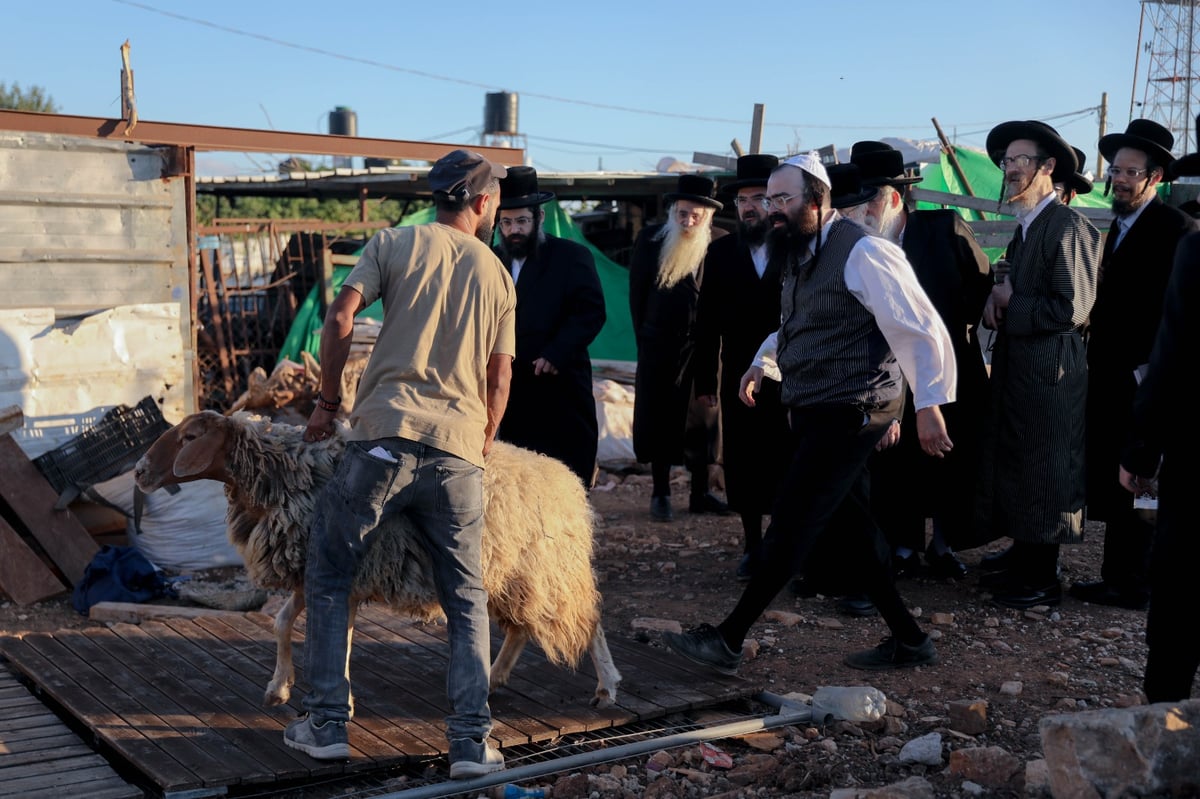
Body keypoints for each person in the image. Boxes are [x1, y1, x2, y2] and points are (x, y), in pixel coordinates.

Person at [663, 152, 956, 673]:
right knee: (854, 528)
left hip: (854, 409)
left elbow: (919, 328)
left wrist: (930, 405)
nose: (773, 210)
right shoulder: (800, 253)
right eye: (770, 200)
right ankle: (911, 640)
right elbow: (800, 323)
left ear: (816, 200)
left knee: (793, 521)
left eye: (783, 199)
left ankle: (729, 639)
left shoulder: (865, 252)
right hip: (818, 405)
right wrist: (763, 363)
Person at [286, 149, 515, 780]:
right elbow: (500, 373)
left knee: (331, 574)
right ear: (482, 202)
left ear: (439, 197)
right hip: (458, 454)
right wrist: (484, 434)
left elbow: (339, 317)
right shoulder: (497, 273)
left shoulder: (392, 243)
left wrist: (328, 403)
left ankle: (327, 726)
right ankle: (470, 743)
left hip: (382, 440)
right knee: (467, 598)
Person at [849, 141, 993, 583]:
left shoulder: (943, 228)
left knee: (950, 458)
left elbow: (980, 284)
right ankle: (903, 544)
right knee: (896, 463)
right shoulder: (858, 244)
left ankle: (944, 544)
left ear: (894, 198)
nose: (862, 210)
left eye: (869, 198)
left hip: (950, 368)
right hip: (888, 374)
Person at [1070, 120, 1198, 610]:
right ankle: (1117, 575)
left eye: (1130, 171)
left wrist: (1151, 372)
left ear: (1156, 178)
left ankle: (1137, 584)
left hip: (1146, 374)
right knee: (1119, 473)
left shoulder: (1176, 230)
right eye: (1115, 170)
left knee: (1142, 476)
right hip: (1110, 372)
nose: (1118, 179)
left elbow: (1175, 312)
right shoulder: (1116, 226)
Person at [975, 121, 1101, 610]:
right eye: (1006, 161)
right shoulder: (1029, 227)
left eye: (1019, 160)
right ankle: (1024, 555)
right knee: (1023, 462)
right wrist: (996, 298)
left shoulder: (1068, 226)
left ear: (1048, 168)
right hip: (1024, 367)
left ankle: (1041, 576)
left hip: (1053, 372)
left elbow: (1073, 309)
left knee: (1047, 466)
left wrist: (1013, 301)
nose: (1009, 169)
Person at [1120, 116, 1200, 701]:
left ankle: (1162, 718)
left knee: (1182, 588)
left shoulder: (1195, 248)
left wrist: (1143, 450)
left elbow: (1173, 358)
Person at [693, 154, 790, 580]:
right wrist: (705, 381)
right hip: (737, 373)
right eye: (743, 200)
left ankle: (784, 543)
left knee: (787, 457)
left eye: (759, 198)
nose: (750, 207)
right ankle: (753, 543)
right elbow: (706, 323)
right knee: (746, 458)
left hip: (791, 371)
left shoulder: (796, 247)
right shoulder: (718, 254)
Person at [493, 166, 607, 488]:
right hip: (515, 389)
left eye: (522, 221)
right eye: (507, 222)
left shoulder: (571, 257)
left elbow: (591, 311)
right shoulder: (491, 261)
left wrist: (556, 353)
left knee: (567, 476)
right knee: (521, 478)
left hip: (561, 384)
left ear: (539, 218)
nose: (514, 230)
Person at [629, 174, 729, 522]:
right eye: (682, 213)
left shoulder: (721, 244)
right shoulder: (651, 240)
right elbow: (637, 299)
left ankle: (701, 493)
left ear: (708, 217)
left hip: (704, 349)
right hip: (660, 347)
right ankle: (660, 493)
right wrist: (646, 342)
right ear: (674, 210)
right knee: (659, 419)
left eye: (695, 216)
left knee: (704, 419)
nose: (687, 221)